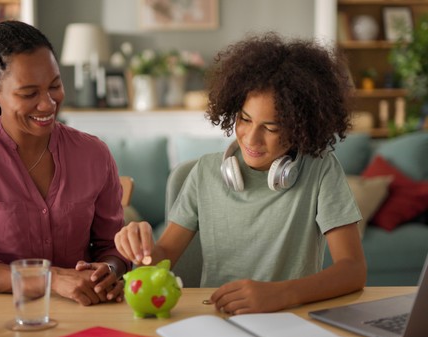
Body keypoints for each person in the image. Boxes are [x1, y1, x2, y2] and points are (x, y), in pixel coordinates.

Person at [115, 32, 366, 315]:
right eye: (244, 119)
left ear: (300, 128)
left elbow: (353, 270)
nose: (252, 139)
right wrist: (141, 247)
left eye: (271, 128)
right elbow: (162, 259)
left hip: (290, 319)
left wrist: (281, 294)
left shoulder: (320, 170)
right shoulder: (205, 173)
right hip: (218, 318)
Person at [0, 21, 130, 306]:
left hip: (85, 311)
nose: (48, 104)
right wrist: (49, 279)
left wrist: (107, 271)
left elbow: (111, 246)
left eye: (55, 85)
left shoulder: (94, 153)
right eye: (29, 94)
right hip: (2, 316)